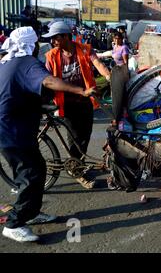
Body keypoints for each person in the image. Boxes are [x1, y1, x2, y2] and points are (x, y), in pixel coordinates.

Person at [0, 27, 96, 243]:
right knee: (31, 175)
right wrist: (81, 91)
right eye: (36, 43)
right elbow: (49, 81)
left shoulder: (7, 61)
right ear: (31, 45)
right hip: (13, 131)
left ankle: (30, 213)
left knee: (35, 171)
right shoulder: (26, 63)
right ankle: (14, 223)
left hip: (11, 128)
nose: (38, 47)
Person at [43, 21, 111, 189]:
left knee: (85, 136)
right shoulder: (51, 55)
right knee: (74, 139)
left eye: (55, 38)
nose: (53, 41)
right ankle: (76, 171)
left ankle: (77, 165)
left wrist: (110, 77)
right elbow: (47, 78)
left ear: (65, 36)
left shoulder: (84, 49)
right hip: (66, 103)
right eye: (52, 39)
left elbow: (98, 64)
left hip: (85, 101)